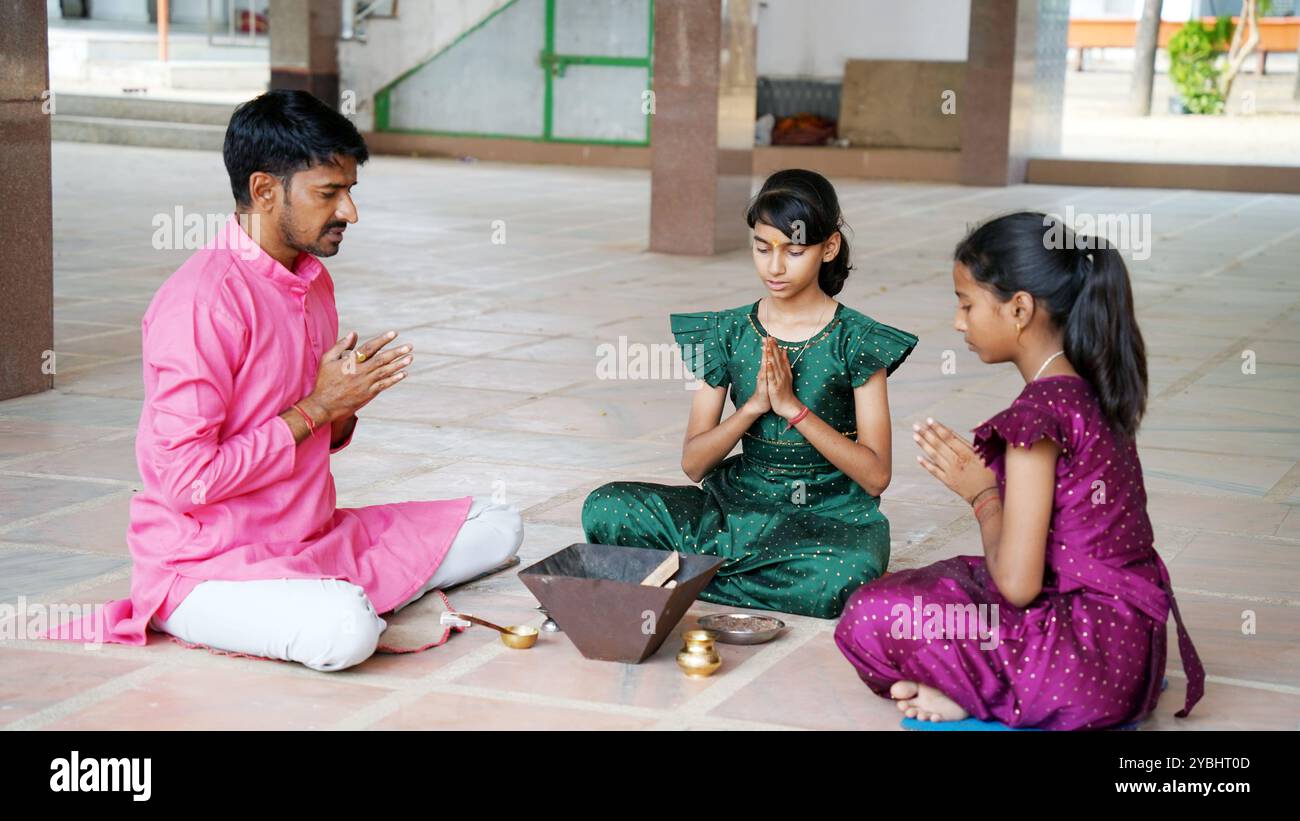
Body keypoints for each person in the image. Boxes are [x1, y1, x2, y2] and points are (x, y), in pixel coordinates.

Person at [44, 90, 522, 671]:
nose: (349, 212)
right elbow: (185, 481)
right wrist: (318, 407)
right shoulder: (200, 305)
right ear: (265, 190)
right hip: (207, 564)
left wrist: (343, 407)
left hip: (310, 537)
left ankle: (332, 595)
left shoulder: (311, 279)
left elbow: (319, 432)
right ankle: (306, 605)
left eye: (349, 191)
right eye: (329, 193)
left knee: (499, 525)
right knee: (342, 632)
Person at [834, 211, 1204, 729]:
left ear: (1020, 309)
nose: (959, 321)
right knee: (941, 581)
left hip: (1082, 665)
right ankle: (980, 680)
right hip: (1132, 645)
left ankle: (978, 692)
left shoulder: (1036, 419)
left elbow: (1017, 587)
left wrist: (983, 495)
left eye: (966, 304)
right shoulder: (1092, 387)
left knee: (870, 613)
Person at [581, 169, 918, 619]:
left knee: (848, 573)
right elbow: (695, 464)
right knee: (606, 508)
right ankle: (734, 574)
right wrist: (753, 407)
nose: (774, 267)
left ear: (829, 247)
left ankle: (689, 574)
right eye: (762, 249)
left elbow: (876, 477)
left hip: (827, 517)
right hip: (735, 507)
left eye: (794, 251)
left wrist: (793, 409)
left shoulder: (857, 340)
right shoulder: (727, 331)